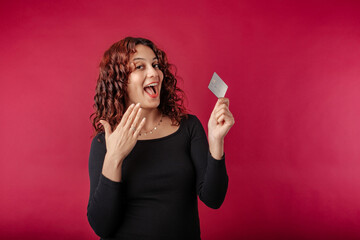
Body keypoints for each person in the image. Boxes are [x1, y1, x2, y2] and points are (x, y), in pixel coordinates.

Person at [87, 37, 235, 240]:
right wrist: (114, 157)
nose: (153, 72)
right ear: (120, 82)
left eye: (156, 64)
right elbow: (101, 226)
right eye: (140, 66)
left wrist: (217, 141)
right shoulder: (105, 141)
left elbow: (213, 198)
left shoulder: (188, 127)